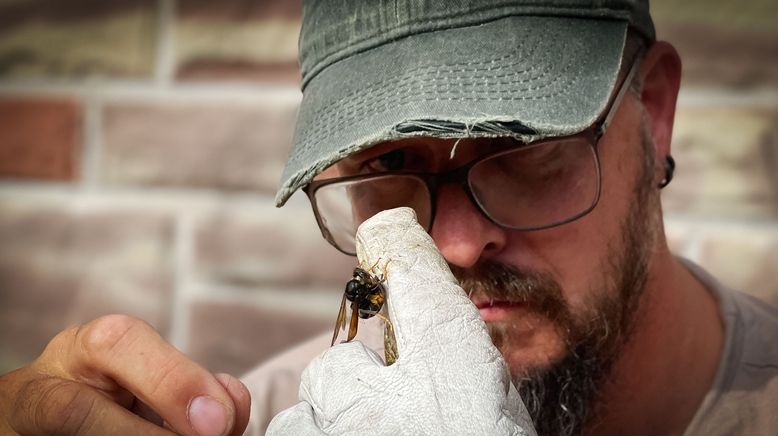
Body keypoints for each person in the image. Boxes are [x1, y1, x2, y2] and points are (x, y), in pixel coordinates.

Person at [0, 1, 775, 435]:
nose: (458, 245)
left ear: (657, 113)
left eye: (526, 148)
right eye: (385, 167)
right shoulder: (271, 416)